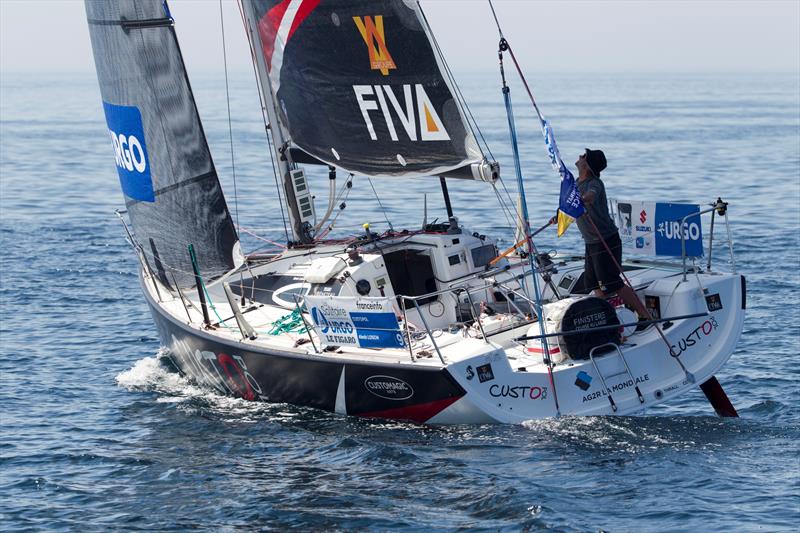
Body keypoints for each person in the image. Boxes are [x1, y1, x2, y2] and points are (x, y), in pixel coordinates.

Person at [574, 148, 650, 320]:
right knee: (593, 284)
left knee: (612, 283)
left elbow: (591, 196)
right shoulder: (577, 182)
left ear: (588, 165)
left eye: (584, 156)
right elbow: (570, 203)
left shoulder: (595, 184)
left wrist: (583, 199)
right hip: (591, 242)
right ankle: (608, 319)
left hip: (605, 240)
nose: (580, 156)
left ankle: (646, 316)